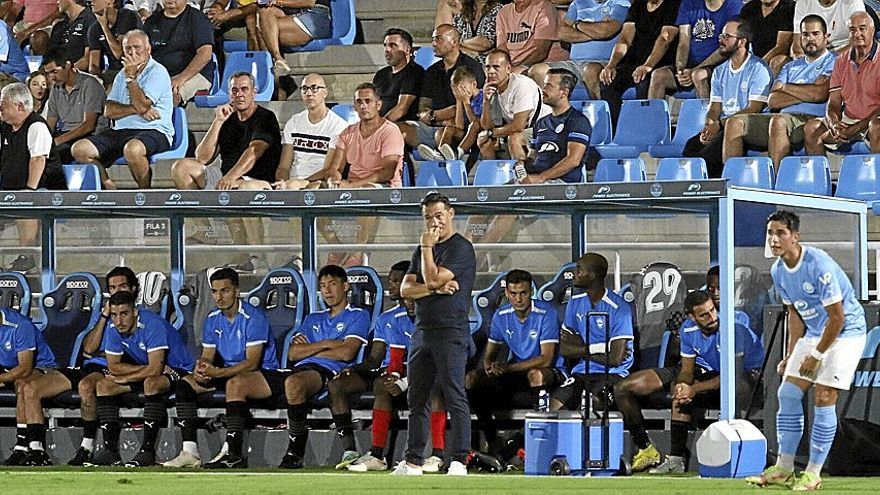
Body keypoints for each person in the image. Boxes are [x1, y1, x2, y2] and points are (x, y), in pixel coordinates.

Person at [747, 210, 867, 491]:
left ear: (795, 237)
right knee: (787, 393)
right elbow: (794, 316)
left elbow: (838, 318)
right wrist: (791, 355)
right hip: (815, 333)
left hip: (846, 332)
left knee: (824, 395)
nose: (774, 239)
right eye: (770, 233)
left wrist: (815, 356)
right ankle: (784, 468)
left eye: (780, 233)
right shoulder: (778, 270)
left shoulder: (818, 264)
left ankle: (812, 474)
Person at [162, 268, 281, 469]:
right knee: (186, 385)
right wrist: (202, 368)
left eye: (224, 291)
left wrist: (217, 373)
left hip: (262, 374)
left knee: (236, 384)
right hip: (228, 372)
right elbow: (207, 355)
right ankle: (190, 451)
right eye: (215, 292)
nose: (219, 297)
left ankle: (233, 453)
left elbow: (252, 362)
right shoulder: (212, 318)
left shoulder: (254, 318)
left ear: (236, 290)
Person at [396, 192, 476, 476]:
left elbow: (428, 278)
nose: (433, 223)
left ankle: (458, 460)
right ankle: (413, 461)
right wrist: (435, 288)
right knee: (416, 399)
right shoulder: (420, 250)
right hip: (422, 330)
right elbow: (405, 290)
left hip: (451, 330)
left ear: (451, 214)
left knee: (454, 394)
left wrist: (428, 251)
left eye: (438, 216)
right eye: (428, 217)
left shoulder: (461, 249)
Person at [345, 262, 448, 473]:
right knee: (381, 386)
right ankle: (377, 455)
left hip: (434, 374)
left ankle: (438, 455)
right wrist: (393, 377)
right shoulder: (394, 319)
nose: (392, 287)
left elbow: (434, 361)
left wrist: (403, 382)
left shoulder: (435, 317)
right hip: (408, 375)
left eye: (396, 281)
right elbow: (395, 355)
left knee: (436, 388)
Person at [277, 265, 370, 469]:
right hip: (303, 367)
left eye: (332, 284)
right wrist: (328, 343)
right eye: (322, 286)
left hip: (332, 371)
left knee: (293, 383)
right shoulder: (313, 318)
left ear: (346, 286)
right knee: (288, 381)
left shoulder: (358, 315)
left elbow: (347, 352)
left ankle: (295, 449)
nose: (327, 291)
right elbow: (292, 354)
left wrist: (311, 348)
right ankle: (294, 449)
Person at [89, 291, 194, 467]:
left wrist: (129, 376)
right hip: (150, 371)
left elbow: (155, 369)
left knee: (151, 383)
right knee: (104, 386)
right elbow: (114, 366)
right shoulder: (113, 328)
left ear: (135, 311)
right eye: (114, 315)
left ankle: (147, 450)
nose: (119, 320)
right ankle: (110, 451)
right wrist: (135, 374)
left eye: (124, 314)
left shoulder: (152, 324)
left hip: (179, 370)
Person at [466, 269, 563, 453]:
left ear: (531, 292)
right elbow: (490, 352)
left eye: (523, 293)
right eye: (513, 294)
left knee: (536, 375)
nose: (518, 299)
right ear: (507, 294)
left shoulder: (546, 313)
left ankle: (535, 444)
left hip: (551, 372)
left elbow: (546, 359)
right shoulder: (501, 315)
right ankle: (493, 441)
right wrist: (489, 367)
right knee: (472, 378)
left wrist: (508, 368)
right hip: (517, 372)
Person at [721, 15, 835, 168]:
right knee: (734, 122)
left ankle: (777, 182)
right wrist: (808, 91)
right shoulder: (790, 66)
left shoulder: (834, 61)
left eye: (815, 34)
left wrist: (786, 87)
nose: (810, 39)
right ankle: (732, 182)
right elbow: (773, 100)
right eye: (805, 34)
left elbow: (820, 94)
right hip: (782, 116)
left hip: (812, 119)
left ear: (826, 37)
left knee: (778, 121)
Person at [71, 29, 174, 190]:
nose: (133, 53)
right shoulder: (121, 74)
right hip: (120, 131)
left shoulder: (158, 71)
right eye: (128, 49)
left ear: (149, 49)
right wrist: (137, 109)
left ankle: (144, 194)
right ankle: (108, 186)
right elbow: (108, 110)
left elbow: (142, 104)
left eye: (137, 47)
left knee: (132, 149)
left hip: (154, 129)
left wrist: (131, 79)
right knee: (79, 149)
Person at [318, 82, 405, 267]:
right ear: (355, 105)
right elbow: (336, 166)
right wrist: (334, 178)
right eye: (359, 102)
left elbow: (387, 171)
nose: (364, 106)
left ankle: (357, 253)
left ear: (378, 104)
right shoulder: (348, 132)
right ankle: (337, 247)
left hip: (385, 188)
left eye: (368, 101)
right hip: (353, 185)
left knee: (367, 192)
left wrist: (352, 185)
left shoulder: (390, 131)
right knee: (313, 191)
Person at [682, 19, 772, 177]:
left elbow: (754, 109)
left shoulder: (758, 69)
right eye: (721, 35)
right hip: (722, 125)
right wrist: (709, 125)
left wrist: (719, 125)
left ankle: (716, 190)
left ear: (741, 42)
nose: (721, 40)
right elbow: (715, 107)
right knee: (691, 146)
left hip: (746, 127)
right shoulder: (719, 71)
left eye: (726, 36)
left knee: (706, 156)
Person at [645, 291, 723, 474]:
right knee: (681, 397)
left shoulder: (732, 323)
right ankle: (675, 460)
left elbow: (733, 375)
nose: (712, 317)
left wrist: (694, 389)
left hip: (749, 378)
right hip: (716, 377)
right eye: (704, 314)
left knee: (737, 385)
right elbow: (687, 370)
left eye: (713, 310)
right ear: (692, 317)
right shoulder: (687, 329)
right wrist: (682, 388)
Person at [550, 252, 634, 411]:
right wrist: (602, 349)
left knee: (593, 403)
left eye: (579, 270)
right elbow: (565, 349)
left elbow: (616, 358)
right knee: (554, 406)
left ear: (592, 275)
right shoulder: (574, 304)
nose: (574, 274)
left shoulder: (619, 308)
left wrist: (581, 348)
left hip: (613, 374)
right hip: (581, 373)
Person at [0, 82, 66, 273]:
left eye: (3, 105)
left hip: (42, 188)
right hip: (11, 189)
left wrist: (28, 192)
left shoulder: (36, 125)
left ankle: (26, 256)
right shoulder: (5, 128)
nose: (0, 110)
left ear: (19, 106)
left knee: (26, 202)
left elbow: (38, 160)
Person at [803, 11, 880, 156]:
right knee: (811, 128)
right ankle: (820, 178)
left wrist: (857, 127)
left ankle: (877, 177)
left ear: (873, 30)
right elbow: (834, 100)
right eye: (852, 30)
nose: (857, 34)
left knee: (877, 126)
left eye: (862, 29)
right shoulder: (841, 60)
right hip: (849, 119)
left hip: (874, 120)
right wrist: (833, 123)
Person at [404, 24, 484, 161]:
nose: (433, 44)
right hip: (435, 126)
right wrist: (435, 117)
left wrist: (438, 115)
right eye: (433, 39)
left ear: (454, 41)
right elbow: (423, 108)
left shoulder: (471, 68)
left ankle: (442, 156)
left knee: (442, 133)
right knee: (399, 130)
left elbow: (471, 107)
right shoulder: (431, 71)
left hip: (463, 130)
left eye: (438, 39)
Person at [594, 0, 681, 125]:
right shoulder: (638, 5)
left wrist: (647, 65)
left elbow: (665, 38)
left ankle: (641, 128)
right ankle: (614, 130)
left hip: (657, 64)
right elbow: (625, 39)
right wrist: (611, 65)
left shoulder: (675, 5)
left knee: (643, 81)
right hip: (631, 64)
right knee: (608, 81)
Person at [528, 0, 631, 98]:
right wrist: (596, 33)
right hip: (574, 64)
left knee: (591, 70)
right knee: (537, 71)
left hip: (603, 63)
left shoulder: (620, 2)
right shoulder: (578, 3)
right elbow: (562, 33)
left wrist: (577, 24)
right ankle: (547, 114)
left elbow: (606, 30)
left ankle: (602, 114)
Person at [648, 0, 742, 99]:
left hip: (717, 65)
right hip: (690, 66)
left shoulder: (733, 4)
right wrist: (680, 70)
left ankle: (707, 113)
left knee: (698, 75)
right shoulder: (689, 3)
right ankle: (653, 114)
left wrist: (695, 70)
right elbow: (683, 42)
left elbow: (726, 47)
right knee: (658, 75)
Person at [269, 73, 348, 190]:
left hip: (319, 182)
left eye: (315, 88)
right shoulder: (294, 122)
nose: (309, 93)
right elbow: (284, 167)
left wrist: (301, 182)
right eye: (305, 89)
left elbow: (329, 170)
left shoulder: (338, 125)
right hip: (292, 182)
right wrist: (281, 182)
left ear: (325, 93)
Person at [0, 306, 55, 466]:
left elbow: (25, 368)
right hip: (6, 367)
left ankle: (31, 446)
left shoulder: (20, 325)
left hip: (41, 366)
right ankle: (23, 447)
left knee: (22, 385)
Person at [522, 68, 591, 184]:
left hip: (561, 183)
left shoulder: (578, 121)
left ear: (564, 92)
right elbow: (533, 156)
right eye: (544, 85)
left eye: (549, 86)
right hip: (538, 181)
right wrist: (522, 164)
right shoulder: (541, 123)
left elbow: (573, 160)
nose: (543, 89)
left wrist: (542, 177)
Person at [478, 49, 548, 162]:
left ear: (508, 69)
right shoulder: (491, 87)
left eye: (496, 67)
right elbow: (486, 126)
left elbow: (518, 126)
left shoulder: (521, 85)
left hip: (543, 128)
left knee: (514, 138)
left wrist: (491, 133)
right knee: (485, 142)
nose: (490, 71)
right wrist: (486, 101)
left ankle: (521, 176)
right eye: (487, 67)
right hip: (521, 130)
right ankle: (497, 177)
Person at [42, 47, 107, 164]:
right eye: (48, 73)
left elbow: (89, 125)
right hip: (67, 134)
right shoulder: (56, 88)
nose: (51, 77)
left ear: (67, 65)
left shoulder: (90, 84)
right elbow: (50, 123)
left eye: (54, 72)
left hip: (90, 136)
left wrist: (57, 141)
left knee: (54, 155)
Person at [142, 0, 214, 106]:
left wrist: (181, 78)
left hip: (194, 75)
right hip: (160, 76)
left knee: (168, 95)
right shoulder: (151, 21)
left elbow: (205, 53)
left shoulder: (197, 19)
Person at [257, 0, 331, 75]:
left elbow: (309, 2)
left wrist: (278, 2)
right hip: (295, 12)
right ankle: (277, 61)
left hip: (315, 16)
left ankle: (272, 71)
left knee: (265, 30)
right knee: (264, 13)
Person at [495, 0, 568, 74]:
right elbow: (502, 48)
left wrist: (520, 67)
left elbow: (541, 52)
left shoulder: (544, 7)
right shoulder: (503, 12)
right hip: (514, 65)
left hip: (542, 64)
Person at [433, 65, 484, 162]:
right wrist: (459, 101)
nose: (461, 92)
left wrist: (466, 102)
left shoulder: (482, 97)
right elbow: (459, 126)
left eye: (463, 88)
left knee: (474, 124)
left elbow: (477, 124)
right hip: (466, 134)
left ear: (474, 84)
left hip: (479, 134)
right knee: (444, 131)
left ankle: (458, 152)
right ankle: (441, 154)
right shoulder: (463, 99)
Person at [373, 28, 424, 124]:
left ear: (407, 50)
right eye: (385, 45)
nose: (387, 49)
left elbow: (401, 109)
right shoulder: (380, 74)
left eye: (393, 45)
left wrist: (378, 128)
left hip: (403, 125)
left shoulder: (414, 72)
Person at [87, 0, 142, 88]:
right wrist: (98, 78)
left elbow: (119, 53)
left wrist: (104, 27)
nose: (91, 1)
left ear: (110, 1)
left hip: (134, 70)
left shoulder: (127, 16)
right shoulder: (94, 29)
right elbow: (93, 65)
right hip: (111, 74)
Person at [738, 0, 795, 74]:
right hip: (755, 55)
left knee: (776, 62)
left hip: (781, 58)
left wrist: (759, 64)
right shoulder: (749, 8)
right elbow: (743, 39)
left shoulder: (788, 8)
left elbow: (782, 46)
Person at [793, 0, 865, 56]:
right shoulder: (803, 3)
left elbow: (859, 41)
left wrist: (828, 60)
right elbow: (798, 43)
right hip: (813, 53)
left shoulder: (854, 3)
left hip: (844, 51)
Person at [47, 0, 96, 68]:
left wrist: (68, 71)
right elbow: (49, 58)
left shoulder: (90, 19)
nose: (57, 2)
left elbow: (88, 60)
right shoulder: (59, 26)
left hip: (77, 74)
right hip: (57, 73)